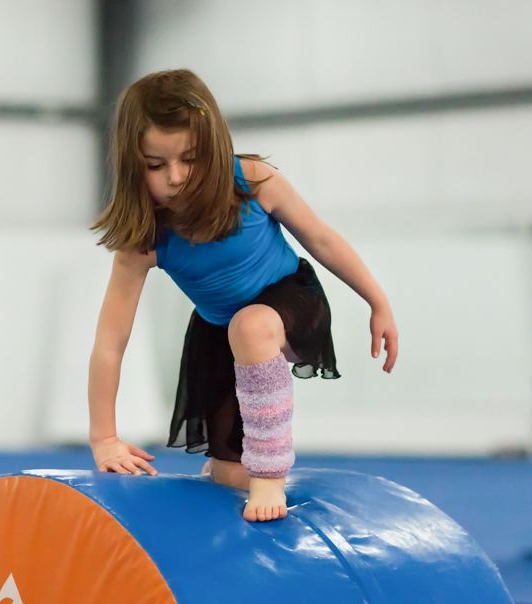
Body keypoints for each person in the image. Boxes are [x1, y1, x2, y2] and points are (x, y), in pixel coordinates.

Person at [88, 70, 398, 521]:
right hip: (218, 334)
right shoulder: (144, 239)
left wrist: (378, 301)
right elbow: (109, 342)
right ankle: (238, 468)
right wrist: (104, 437)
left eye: (190, 159)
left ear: (213, 149)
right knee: (232, 479)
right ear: (134, 165)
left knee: (250, 326)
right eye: (155, 166)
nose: (175, 178)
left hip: (291, 301)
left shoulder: (253, 182)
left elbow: (321, 239)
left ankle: (271, 472)